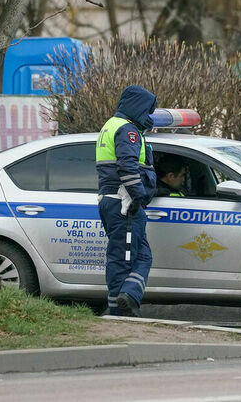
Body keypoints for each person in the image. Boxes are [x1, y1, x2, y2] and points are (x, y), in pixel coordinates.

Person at [96, 85, 157, 317]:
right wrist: (138, 195)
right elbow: (127, 165)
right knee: (124, 259)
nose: (148, 116)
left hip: (113, 200)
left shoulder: (111, 125)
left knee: (140, 256)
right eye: (147, 110)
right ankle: (120, 311)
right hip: (125, 202)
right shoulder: (127, 129)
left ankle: (128, 297)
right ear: (138, 107)